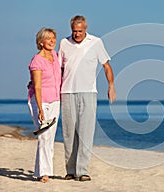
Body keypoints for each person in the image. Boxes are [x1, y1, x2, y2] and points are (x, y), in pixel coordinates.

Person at [58, 15, 116, 182]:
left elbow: (106, 66)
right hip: (67, 92)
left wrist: (111, 86)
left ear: (86, 29)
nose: (76, 34)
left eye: (80, 31)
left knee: (86, 132)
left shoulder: (96, 42)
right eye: (74, 31)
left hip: (88, 92)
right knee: (69, 134)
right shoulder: (64, 43)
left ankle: (82, 170)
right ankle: (70, 170)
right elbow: (58, 69)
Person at [27, 28, 61, 182]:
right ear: (41, 42)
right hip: (40, 101)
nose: (52, 41)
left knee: (49, 137)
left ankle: (41, 171)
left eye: (53, 38)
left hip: (55, 100)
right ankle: (44, 173)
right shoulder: (37, 61)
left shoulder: (54, 55)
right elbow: (38, 86)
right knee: (44, 136)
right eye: (48, 38)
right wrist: (40, 109)